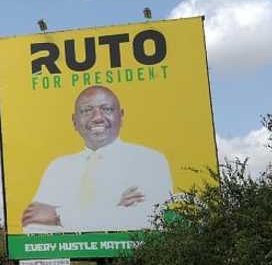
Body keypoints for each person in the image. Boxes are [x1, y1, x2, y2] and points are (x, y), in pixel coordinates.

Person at [22, 86, 173, 233]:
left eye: (106, 109)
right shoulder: (58, 168)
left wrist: (59, 216)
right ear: (74, 121)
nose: (97, 118)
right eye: (87, 110)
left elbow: (149, 220)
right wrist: (115, 208)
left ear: (121, 116)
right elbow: (31, 226)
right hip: (74, 256)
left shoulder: (149, 161)